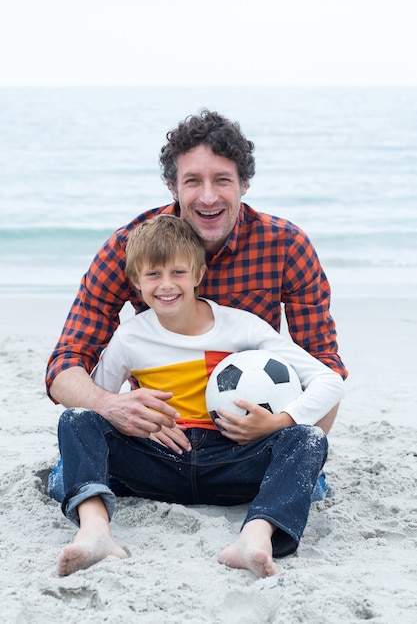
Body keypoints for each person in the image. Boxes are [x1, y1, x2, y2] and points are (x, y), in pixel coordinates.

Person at [56, 215, 344, 577]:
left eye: (178, 272)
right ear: (135, 282)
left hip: (230, 460)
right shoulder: (130, 338)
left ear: (198, 274)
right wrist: (137, 422)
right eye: (153, 275)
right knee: (76, 420)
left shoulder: (242, 327)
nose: (166, 285)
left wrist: (278, 422)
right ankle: (95, 531)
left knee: (308, 438)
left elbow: (330, 382)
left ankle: (255, 536)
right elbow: (102, 404)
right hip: (159, 463)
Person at [45, 110, 348, 445]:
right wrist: (111, 405)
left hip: (252, 429)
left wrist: (294, 444)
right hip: (166, 433)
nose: (207, 197)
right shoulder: (129, 247)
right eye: (192, 181)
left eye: (222, 179)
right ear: (172, 186)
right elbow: (65, 364)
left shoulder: (286, 246)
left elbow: (323, 364)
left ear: (244, 184)